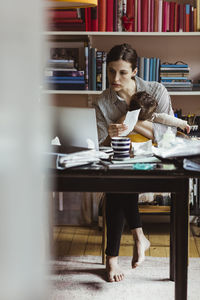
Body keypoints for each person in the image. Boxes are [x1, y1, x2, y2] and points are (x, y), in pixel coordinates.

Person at [92, 43, 176, 283]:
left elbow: (167, 137)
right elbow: (101, 145)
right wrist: (110, 133)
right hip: (122, 165)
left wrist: (130, 120)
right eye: (110, 71)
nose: (115, 78)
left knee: (118, 185)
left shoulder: (156, 91)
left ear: (135, 71)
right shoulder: (102, 102)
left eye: (122, 72)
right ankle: (137, 238)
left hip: (156, 161)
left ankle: (113, 258)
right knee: (118, 180)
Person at [120, 90, 191, 134]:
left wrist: (182, 123)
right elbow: (165, 118)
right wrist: (183, 124)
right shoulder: (152, 117)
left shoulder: (125, 119)